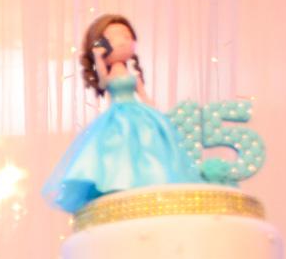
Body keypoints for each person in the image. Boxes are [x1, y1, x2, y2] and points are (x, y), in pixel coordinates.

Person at [41, 13, 202, 213]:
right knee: (117, 148)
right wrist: (98, 58)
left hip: (140, 113)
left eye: (127, 37)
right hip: (117, 115)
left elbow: (144, 95)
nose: (123, 42)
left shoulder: (133, 74)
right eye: (113, 38)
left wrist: (155, 112)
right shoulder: (108, 74)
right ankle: (118, 183)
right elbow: (103, 83)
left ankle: (148, 182)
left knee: (147, 146)